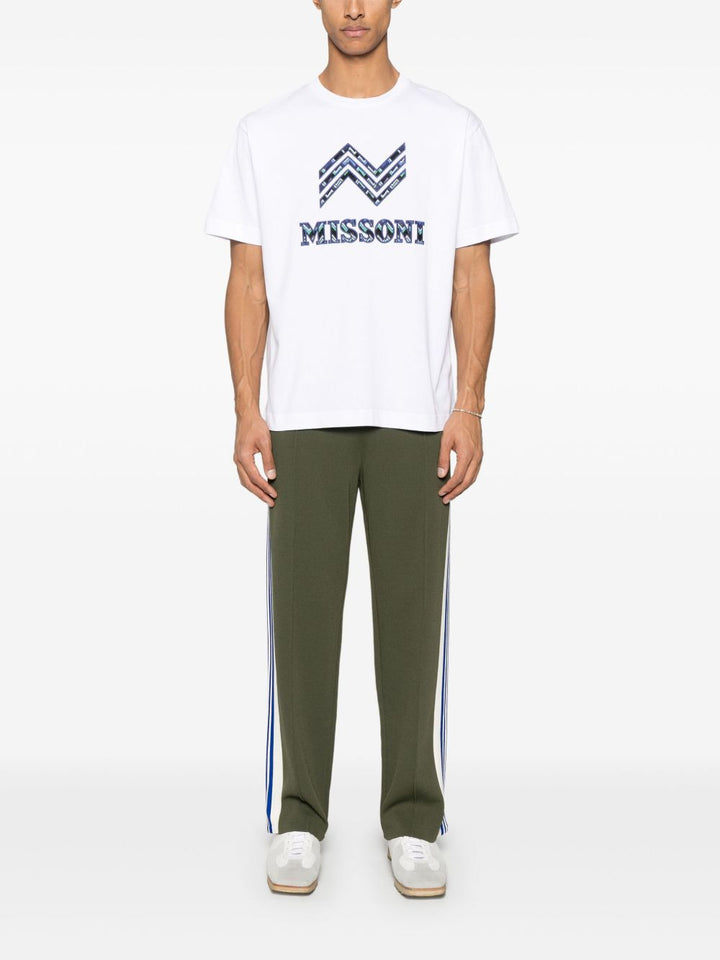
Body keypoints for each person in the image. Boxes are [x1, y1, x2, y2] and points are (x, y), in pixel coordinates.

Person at [204, 0, 519, 899]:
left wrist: (469, 405)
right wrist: (246, 408)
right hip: (303, 412)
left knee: (412, 627)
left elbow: (471, 274)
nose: (353, 7)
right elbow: (248, 280)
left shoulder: (450, 129)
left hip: (413, 412)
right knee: (303, 626)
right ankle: (299, 817)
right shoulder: (267, 133)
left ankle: (413, 820)